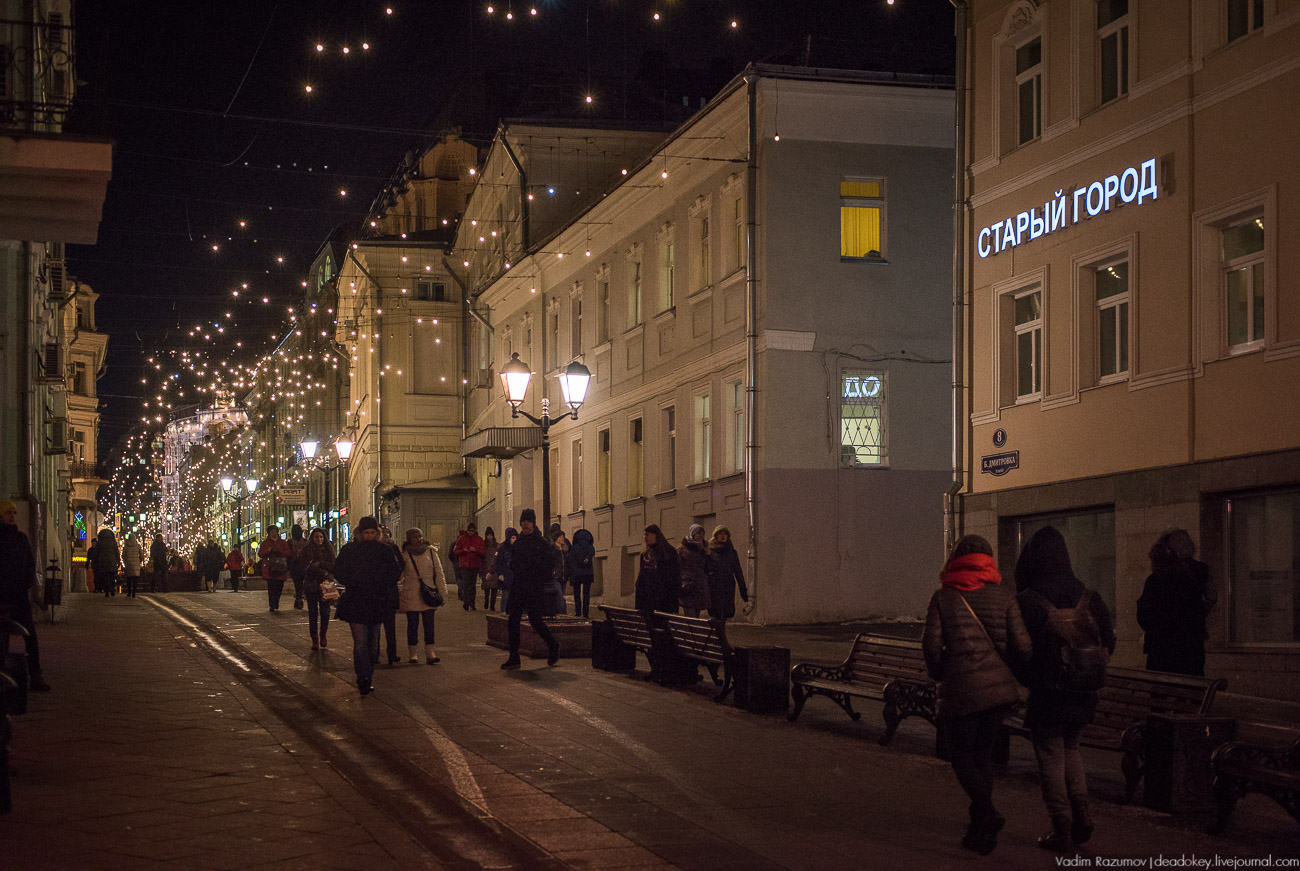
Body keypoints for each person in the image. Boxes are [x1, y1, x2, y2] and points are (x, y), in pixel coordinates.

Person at [922, 534, 1032, 856]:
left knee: (961, 758)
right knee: (982, 757)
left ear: (955, 559)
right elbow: (1024, 648)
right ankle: (980, 830)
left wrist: (939, 671)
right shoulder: (1005, 597)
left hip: (961, 690)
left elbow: (930, 645)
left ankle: (988, 812)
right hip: (997, 693)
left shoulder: (944, 598)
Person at [1015, 526, 1116, 853]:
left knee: (1050, 757)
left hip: (1048, 693)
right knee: (1072, 751)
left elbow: (1019, 650)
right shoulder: (1090, 597)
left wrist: (1029, 677)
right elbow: (1108, 643)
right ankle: (1082, 813)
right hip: (1083, 694)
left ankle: (1062, 827)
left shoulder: (1029, 601)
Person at [333, 516, 403, 695]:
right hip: (357, 600)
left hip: (377, 600)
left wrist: (381, 582)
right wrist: (354, 581)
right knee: (360, 642)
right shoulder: (350, 550)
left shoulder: (384, 551)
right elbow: (338, 570)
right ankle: (362, 676)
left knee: (372, 643)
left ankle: (368, 673)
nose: (369, 536)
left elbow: (395, 572)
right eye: (366, 533)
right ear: (360, 533)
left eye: (372, 533)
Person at [1137, 529, 1209, 676]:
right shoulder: (1200, 573)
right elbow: (1207, 601)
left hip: (1162, 648)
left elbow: (1144, 614)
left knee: (1160, 690)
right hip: (1191, 646)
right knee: (1193, 688)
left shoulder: (1157, 579)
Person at [500, 509, 560, 670]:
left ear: (533, 523)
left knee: (535, 620)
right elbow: (512, 562)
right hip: (518, 586)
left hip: (534, 587)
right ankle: (514, 657)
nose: (525, 525)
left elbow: (549, 565)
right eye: (523, 522)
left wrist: (536, 570)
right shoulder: (518, 542)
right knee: (513, 620)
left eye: (528, 522)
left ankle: (553, 646)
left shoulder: (541, 543)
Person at [0, 501, 50, 691]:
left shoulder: (21, 538)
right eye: (7, 513)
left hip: (19, 596)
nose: (12, 516)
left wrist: (27, 583)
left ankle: (35, 674)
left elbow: (30, 564)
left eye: (14, 512)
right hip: (2, 595)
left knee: (30, 635)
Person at [636, 524, 682, 683]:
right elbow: (641, 579)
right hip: (649, 603)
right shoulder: (645, 553)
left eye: (648, 535)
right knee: (654, 638)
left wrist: (672, 602)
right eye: (645, 535)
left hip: (663, 603)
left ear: (656, 535)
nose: (645, 538)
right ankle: (657, 668)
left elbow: (673, 579)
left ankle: (664, 669)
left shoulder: (667, 552)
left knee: (663, 637)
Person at [400, 528, 448, 664]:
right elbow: (399, 575)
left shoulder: (431, 552)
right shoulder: (405, 554)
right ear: (409, 538)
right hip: (411, 593)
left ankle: (430, 653)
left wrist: (443, 594)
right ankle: (413, 653)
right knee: (412, 624)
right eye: (415, 537)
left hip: (429, 592)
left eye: (420, 536)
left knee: (429, 624)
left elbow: (439, 573)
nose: (419, 539)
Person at [300, 528, 336, 649]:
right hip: (312, 584)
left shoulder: (329, 550)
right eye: (316, 537)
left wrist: (320, 564)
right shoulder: (306, 550)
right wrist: (322, 572)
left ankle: (323, 634)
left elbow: (334, 565)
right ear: (312, 538)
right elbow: (306, 568)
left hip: (326, 584)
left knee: (325, 612)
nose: (319, 539)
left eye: (321, 537)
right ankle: (314, 638)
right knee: (313, 612)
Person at [707, 525, 749, 623]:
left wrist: (743, 589)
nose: (723, 536)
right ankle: (718, 635)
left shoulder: (731, 552)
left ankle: (720, 635)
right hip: (714, 586)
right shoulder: (710, 551)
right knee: (716, 613)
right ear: (716, 536)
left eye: (725, 534)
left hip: (727, 586)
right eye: (720, 534)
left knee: (725, 613)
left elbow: (738, 571)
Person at [378, 526, 402, 665]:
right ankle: (375, 652)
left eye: (387, 533)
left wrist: (394, 577)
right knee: (375, 626)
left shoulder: (393, 548)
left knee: (390, 626)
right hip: (376, 592)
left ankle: (392, 653)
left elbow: (400, 565)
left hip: (389, 591)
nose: (385, 535)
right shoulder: (373, 550)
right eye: (383, 533)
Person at [677, 524, 711, 618]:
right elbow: (677, 568)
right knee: (690, 618)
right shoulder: (683, 549)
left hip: (699, 588)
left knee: (696, 618)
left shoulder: (704, 550)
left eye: (703, 533)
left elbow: (706, 569)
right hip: (688, 588)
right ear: (693, 534)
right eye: (698, 533)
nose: (701, 535)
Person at [452, 523, 486, 611]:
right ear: (467, 530)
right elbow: (455, 551)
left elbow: (483, 552)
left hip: (474, 565)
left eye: (473, 531)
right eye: (470, 530)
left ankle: (472, 603)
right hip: (465, 565)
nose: (471, 532)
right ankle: (467, 603)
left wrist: (475, 550)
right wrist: (464, 550)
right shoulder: (462, 539)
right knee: (466, 585)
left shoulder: (479, 539)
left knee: (472, 585)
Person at [259, 526, 291, 612]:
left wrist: (280, 551)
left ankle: (276, 602)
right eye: (271, 532)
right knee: (271, 587)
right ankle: (272, 605)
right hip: (270, 568)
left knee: (279, 587)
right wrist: (268, 550)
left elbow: (288, 553)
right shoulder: (265, 543)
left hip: (281, 568)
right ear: (269, 533)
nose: (273, 533)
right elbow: (260, 553)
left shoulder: (283, 542)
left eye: (275, 531)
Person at [567, 528, 595, 619]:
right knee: (586, 594)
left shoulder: (574, 548)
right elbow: (590, 558)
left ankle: (578, 612)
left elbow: (571, 560)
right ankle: (586, 613)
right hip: (588, 573)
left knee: (577, 593)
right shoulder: (591, 547)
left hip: (577, 573)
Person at [547, 524, 570, 617]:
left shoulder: (565, 550)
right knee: (560, 597)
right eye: (560, 537)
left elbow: (567, 563)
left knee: (560, 596)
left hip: (563, 577)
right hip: (555, 577)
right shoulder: (553, 550)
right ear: (556, 538)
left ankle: (558, 613)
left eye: (563, 536)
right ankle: (563, 614)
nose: (563, 538)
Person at [493, 527, 517, 614]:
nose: (514, 540)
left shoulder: (518, 549)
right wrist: (500, 575)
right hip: (505, 576)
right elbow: (498, 563)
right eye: (512, 538)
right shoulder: (502, 548)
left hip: (514, 576)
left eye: (515, 538)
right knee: (505, 596)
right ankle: (504, 612)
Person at [94, 528, 121, 598]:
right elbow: (116, 552)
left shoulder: (100, 542)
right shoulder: (113, 542)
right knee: (112, 576)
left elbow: (96, 553)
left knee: (105, 577)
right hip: (112, 562)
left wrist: (96, 562)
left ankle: (106, 591)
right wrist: (118, 561)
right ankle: (112, 588)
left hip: (103, 562)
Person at [287, 524, 308, 609]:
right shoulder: (305, 541)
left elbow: (288, 555)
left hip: (296, 565)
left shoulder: (290, 542)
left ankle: (299, 598)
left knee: (298, 583)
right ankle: (299, 598)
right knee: (300, 583)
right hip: (300, 565)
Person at [480, 528, 500, 611]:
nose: (489, 537)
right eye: (488, 535)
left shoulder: (497, 546)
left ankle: (492, 604)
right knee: (487, 588)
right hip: (485, 568)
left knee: (494, 588)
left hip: (494, 569)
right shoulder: (484, 546)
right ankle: (486, 601)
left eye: (490, 535)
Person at [122, 533, 144, 598]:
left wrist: (125, 562)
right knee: (135, 579)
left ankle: (129, 592)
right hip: (136, 564)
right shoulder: (138, 546)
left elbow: (123, 555)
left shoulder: (126, 546)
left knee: (129, 579)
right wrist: (139, 561)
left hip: (128, 563)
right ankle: (134, 592)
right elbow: (142, 555)